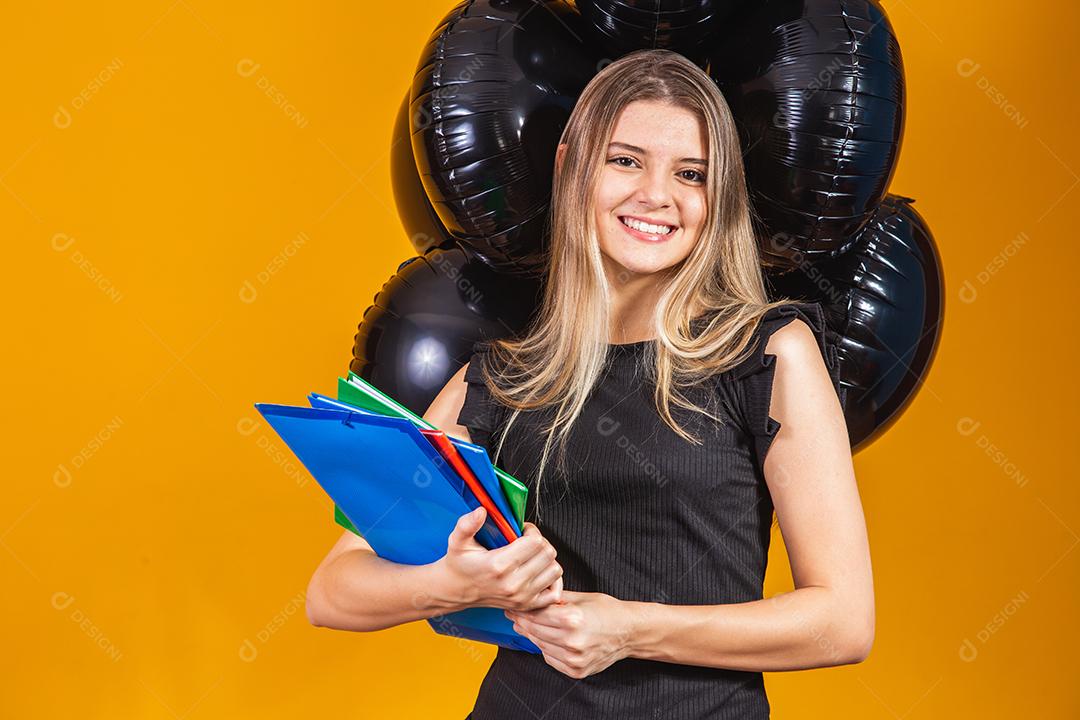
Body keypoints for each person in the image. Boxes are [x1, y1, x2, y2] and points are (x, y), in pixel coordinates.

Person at [305, 48, 874, 719]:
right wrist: (451, 584)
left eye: (691, 173)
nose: (656, 195)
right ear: (572, 165)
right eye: (625, 159)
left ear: (716, 198)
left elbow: (842, 622)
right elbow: (332, 592)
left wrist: (630, 629)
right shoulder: (500, 378)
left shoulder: (766, 352)